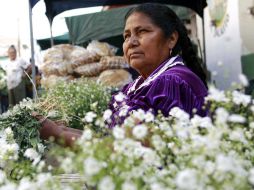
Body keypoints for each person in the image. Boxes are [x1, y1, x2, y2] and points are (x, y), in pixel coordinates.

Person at [34, 3, 208, 146]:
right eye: (126, 36)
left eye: (142, 32)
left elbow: (130, 151)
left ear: (171, 39)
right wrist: (64, 130)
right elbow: (112, 139)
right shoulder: (135, 86)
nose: (131, 42)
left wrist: (57, 135)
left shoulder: (172, 82)